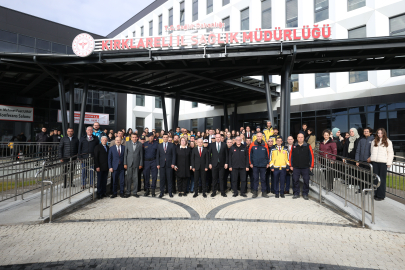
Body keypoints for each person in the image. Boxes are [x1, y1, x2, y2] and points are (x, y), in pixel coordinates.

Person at [370, 128, 394, 201]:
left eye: (381, 133)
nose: (379, 134)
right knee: (375, 179)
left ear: (384, 133)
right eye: (378, 133)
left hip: (383, 163)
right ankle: (376, 193)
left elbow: (390, 153)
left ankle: (381, 195)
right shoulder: (374, 141)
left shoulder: (388, 142)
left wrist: (389, 163)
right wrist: (372, 158)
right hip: (375, 162)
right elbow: (371, 151)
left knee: (382, 179)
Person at [289, 133, 314, 200]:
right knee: (295, 180)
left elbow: (311, 156)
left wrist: (311, 166)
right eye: (299, 137)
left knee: (306, 180)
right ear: (297, 138)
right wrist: (290, 165)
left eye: (301, 137)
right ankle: (296, 193)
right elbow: (290, 156)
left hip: (305, 167)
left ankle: (305, 194)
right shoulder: (294, 146)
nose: (300, 138)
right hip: (296, 167)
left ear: (303, 138)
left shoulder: (308, 146)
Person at [249, 132, 269, 198]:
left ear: (262, 137)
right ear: (256, 137)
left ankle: (264, 192)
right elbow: (250, 154)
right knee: (255, 179)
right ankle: (255, 192)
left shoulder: (265, 145)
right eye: (258, 136)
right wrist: (250, 163)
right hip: (255, 165)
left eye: (260, 136)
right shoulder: (252, 144)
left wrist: (268, 163)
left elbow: (268, 155)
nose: (259, 137)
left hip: (263, 165)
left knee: (263, 179)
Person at [124, 133, 143, 198]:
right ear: (131, 138)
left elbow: (141, 155)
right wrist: (125, 163)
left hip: (136, 164)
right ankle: (128, 192)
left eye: (135, 137)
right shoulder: (128, 143)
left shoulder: (140, 144)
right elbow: (125, 154)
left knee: (136, 178)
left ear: (137, 138)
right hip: (129, 163)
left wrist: (140, 164)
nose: (134, 138)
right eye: (133, 137)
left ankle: (135, 192)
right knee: (128, 178)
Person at [156, 133, 176, 198]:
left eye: (166, 137)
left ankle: (170, 192)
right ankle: (162, 192)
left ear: (168, 138)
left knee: (169, 179)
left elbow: (174, 155)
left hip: (169, 165)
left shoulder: (171, 145)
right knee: (162, 179)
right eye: (164, 137)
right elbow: (157, 156)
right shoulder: (159, 145)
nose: (165, 138)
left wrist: (173, 163)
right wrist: (158, 164)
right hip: (161, 165)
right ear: (162, 138)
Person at [143, 132, 159, 197]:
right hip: (146, 162)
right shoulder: (145, 144)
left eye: (152, 136)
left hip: (154, 161)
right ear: (148, 137)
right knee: (146, 176)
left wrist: (158, 163)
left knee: (154, 176)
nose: (151, 137)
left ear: (153, 137)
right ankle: (147, 190)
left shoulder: (156, 144)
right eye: (150, 136)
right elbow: (142, 153)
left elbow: (158, 154)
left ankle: (153, 190)